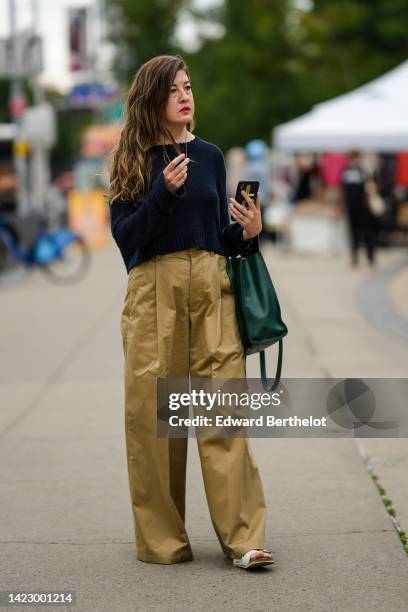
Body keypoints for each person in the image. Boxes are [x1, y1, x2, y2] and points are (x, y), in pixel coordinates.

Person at [108, 54, 274, 570]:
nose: (187, 95)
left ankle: (243, 538)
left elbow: (213, 238)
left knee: (223, 408)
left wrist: (245, 232)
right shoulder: (130, 159)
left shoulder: (211, 156)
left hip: (211, 287)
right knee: (155, 420)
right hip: (152, 289)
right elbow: (126, 239)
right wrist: (161, 193)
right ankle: (163, 541)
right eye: (175, 88)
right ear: (153, 99)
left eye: (189, 86)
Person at [340, 151, 377, 267]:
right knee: (353, 232)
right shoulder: (345, 172)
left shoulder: (363, 171)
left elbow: (370, 187)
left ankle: (370, 257)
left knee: (367, 232)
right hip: (351, 206)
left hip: (363, 206)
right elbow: (343, 190)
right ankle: (354, 257)